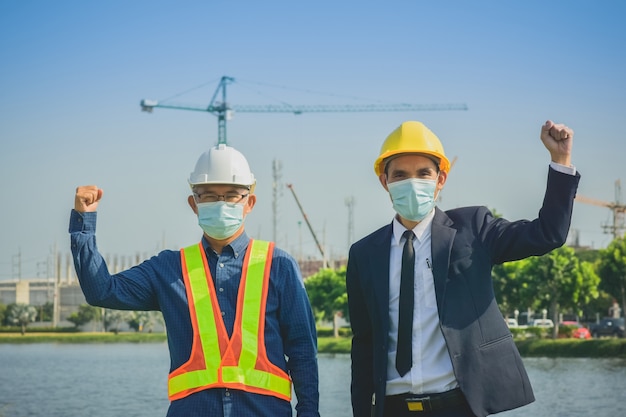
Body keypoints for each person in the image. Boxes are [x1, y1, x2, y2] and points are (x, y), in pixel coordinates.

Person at [346, 120, 579, 417]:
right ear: (385, 182)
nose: (412, 183)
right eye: (401, 175)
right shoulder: (364, 254)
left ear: (441, 179)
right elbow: (364, 344)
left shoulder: (473, 229)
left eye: (423, 173)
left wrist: (560, 161)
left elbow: (547, 234)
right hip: (393, 408)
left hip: (457, 405)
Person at [69, 144, 320, 417]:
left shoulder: (279, 265)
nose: (221, 204)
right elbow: (102, 291)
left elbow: (302, 349)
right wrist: (85, 222)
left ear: (250, 203)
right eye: (209, 196)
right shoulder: (168, 268)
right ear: (194, 204)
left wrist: (309, 412)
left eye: (232, 195)